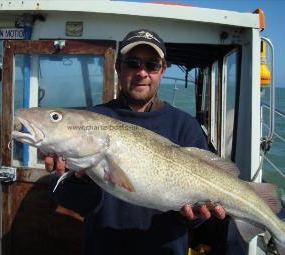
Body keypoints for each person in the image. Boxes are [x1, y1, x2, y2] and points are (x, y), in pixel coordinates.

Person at [45, 29, 226, 255]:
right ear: (118, 67)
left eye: (152, 65)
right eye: (133, 63)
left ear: (162, 71)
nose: (142, 73)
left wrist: (193, 217)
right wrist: (75, 182)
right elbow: (73, 201)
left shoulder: (185, 126)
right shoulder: (91, 121)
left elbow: (195, 219)